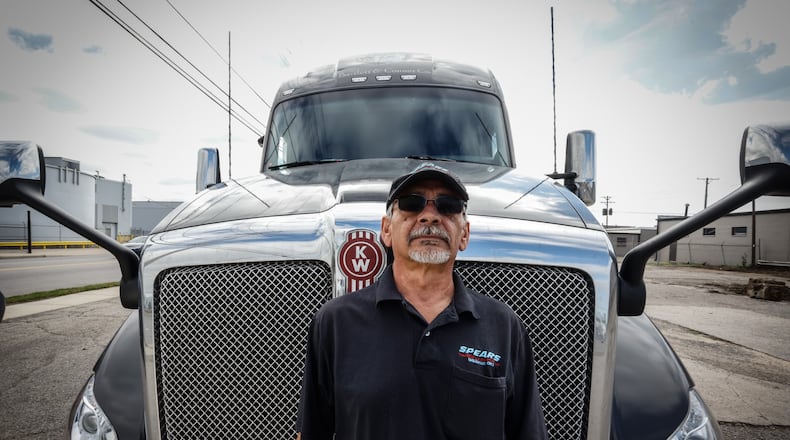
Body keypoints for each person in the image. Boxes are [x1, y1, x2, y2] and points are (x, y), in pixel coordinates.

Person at [296, 163, 548, 440]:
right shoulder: (335, 323)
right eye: (411, 204)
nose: (430, 216)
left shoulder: (503, 327)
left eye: (448, 206)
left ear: (464, 234)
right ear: (387, 230)